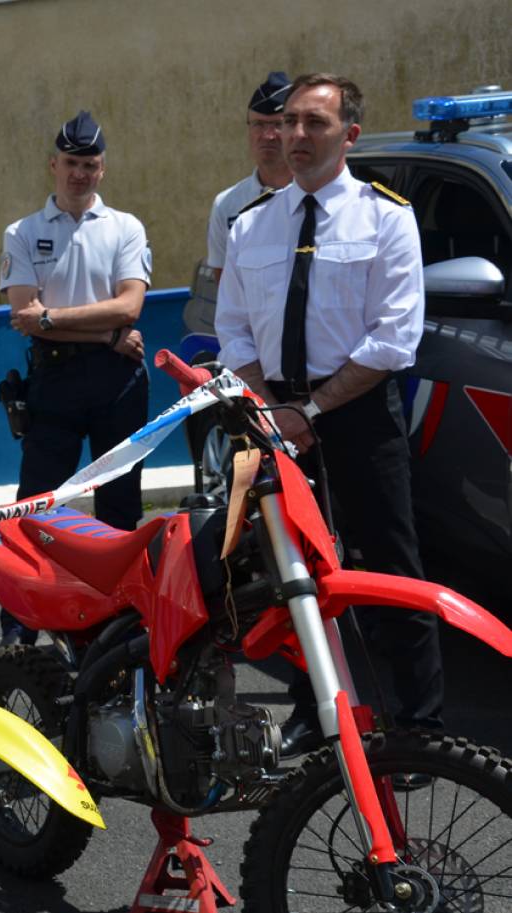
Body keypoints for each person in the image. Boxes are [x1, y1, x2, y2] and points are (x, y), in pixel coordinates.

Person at [214, 72, 443, 756]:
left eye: (315, 123)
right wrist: (277, 410)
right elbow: (234, 333)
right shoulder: (250, 225)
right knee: (290, 575)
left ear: (350, 135)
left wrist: (310, 408)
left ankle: (417, 725)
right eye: (289, 123)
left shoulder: (386, 217)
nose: (297, 136)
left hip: (357, 416)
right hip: (275, 421)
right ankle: (317, 710)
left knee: (391, 565)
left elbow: (394, 338)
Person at [0, 110, 150, 645]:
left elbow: (129, 306)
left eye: (89, 164)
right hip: (55, 382)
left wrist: (53, 320)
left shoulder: (125, 227)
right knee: (36, 504)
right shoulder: (23, 232)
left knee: (119, 506)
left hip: (118, 383)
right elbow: (23, 315)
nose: (79, 174)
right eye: (71, 163)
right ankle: (20, 625)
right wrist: (105, 331)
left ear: (102, 169)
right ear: (53, 165)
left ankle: (118, 622)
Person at [206, 71, 294, 281]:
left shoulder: (315, 196)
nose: (267, 135)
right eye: (259, 125)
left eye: (277, 124)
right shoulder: (227, 204)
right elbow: (226, 284)